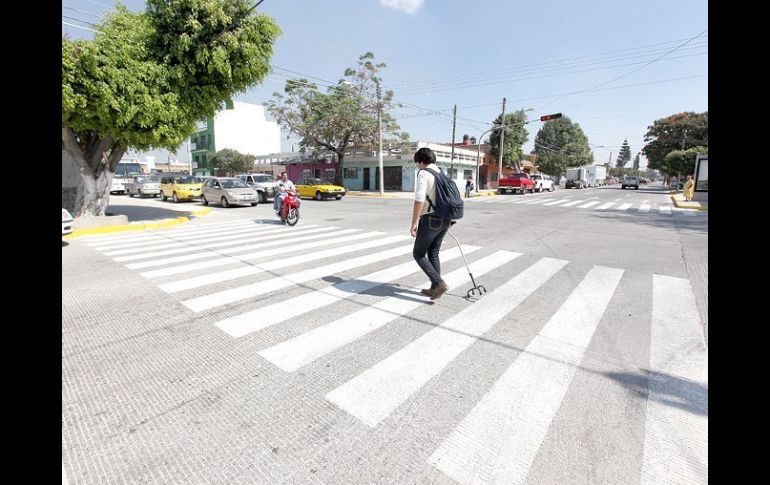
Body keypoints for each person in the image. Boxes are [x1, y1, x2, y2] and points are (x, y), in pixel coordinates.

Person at [411, 147, 450, 300]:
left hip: (431, 219)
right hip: (446, 218)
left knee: (419, 253)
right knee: (433, 252)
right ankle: (435, 288)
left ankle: (439, 283)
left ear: (421, 161)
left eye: (417, 163)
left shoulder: (424, 173)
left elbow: (419, 198)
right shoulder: (441, 174)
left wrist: (414, 221)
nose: (417, 166)